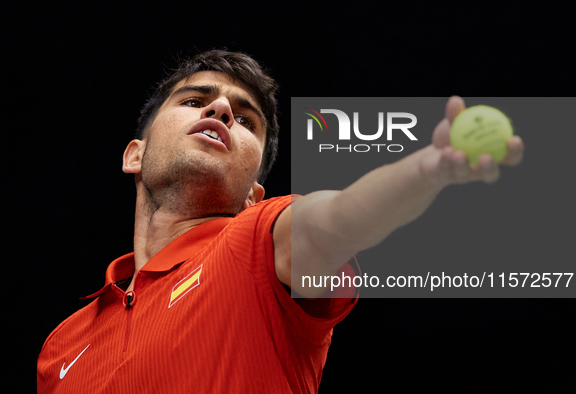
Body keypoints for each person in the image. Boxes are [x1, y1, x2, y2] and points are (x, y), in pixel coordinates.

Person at [37, 49, 524, 393]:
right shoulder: (61, 346)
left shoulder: (257, 244)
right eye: (193, 100)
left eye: (246, 120)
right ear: (134, 156)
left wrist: (425, 171)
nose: (221, 108)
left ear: (254, 195)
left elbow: (337, 218)